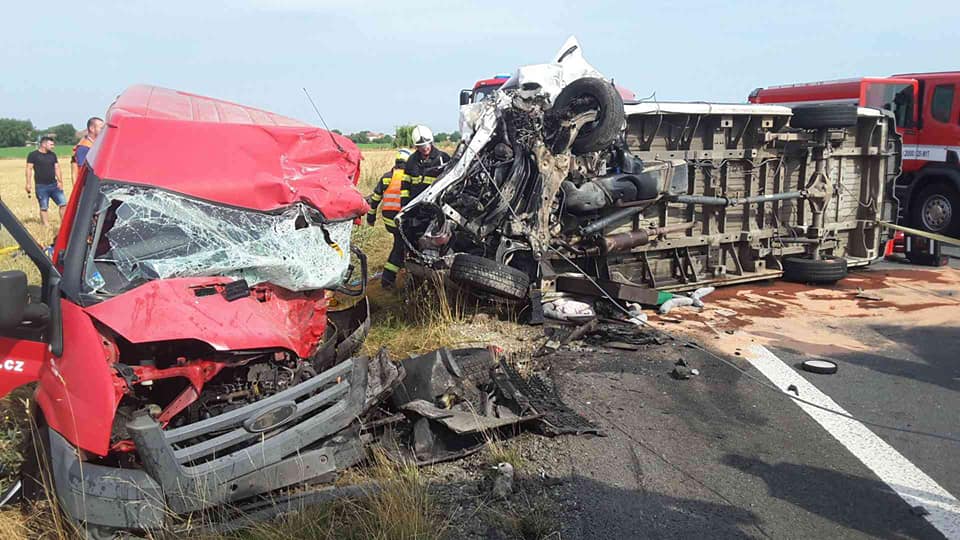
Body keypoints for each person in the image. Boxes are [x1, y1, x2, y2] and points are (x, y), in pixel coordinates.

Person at [367, 148, 412, 288]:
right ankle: (387, 280)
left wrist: (371, 216)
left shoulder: (387, 177)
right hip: (401, 219)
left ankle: (403, 267)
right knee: (399, 247)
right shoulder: (409, 177)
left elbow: (375, 199)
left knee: (401, 243)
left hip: (388, 220)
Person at [400, 125, 450, 209]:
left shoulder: (443, 158)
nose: (424, 148)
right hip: (415, 206)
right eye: (421, 146)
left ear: (431, 142)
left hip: (435, 206)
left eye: (426, 144)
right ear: (416, 146)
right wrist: (404, 203)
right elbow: (405, 184)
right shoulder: (411, 160)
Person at [25, 136, 66, 227]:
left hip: (54, 185)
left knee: (63, 204)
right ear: (43, 144)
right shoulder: (33, 155)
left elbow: (57, 168)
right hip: (41, 186)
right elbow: (29, 168)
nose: (53, 146)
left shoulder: (53, 155)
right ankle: (46, 225)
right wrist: (28, 183)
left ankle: (64, 224)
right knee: (44, 207)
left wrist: (60, 181)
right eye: (51, 144)